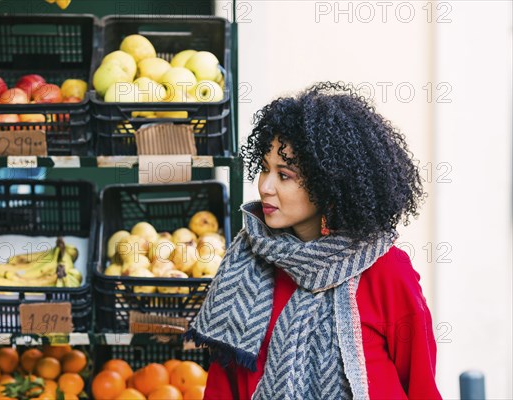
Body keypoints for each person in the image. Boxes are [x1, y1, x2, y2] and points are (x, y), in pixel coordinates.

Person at [185, 82, 442, 399]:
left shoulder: (385, 268)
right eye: (264, 169)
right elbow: (223, 387)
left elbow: (420, 385)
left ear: (328, 183)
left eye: (284, 175)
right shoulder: (245, 264)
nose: (265, 186)